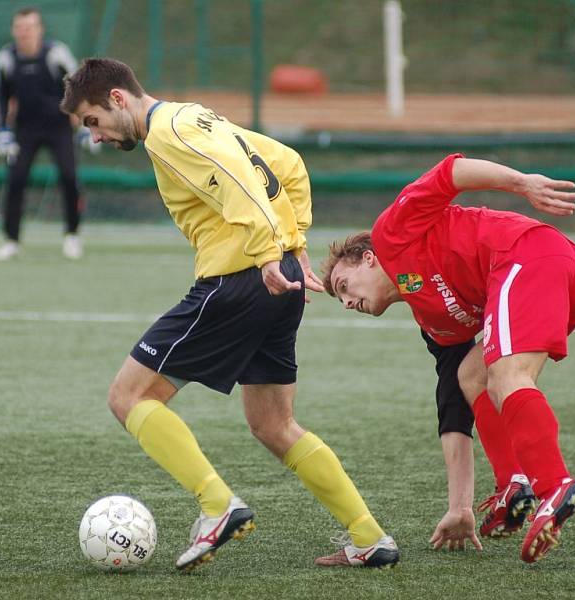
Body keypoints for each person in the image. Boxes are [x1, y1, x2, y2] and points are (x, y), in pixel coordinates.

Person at [60, 57, 399, 571]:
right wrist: (292, 243)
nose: (96, 136)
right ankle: (369, 536)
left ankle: (217, 506)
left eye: (92, 122)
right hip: (274, 277)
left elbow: (237, 176)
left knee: (128, 396)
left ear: (117, 99)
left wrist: (267, 252)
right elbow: (286, 163)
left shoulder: (167, 134)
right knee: (274, 423)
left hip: (241, 277)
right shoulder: (195, 117)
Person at [322, 153, 575, 563]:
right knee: (472, 375)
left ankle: (555, 484)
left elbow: (452, 173)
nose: (346, 301)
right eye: (340, 298)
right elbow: (453, 406)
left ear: (368, 258)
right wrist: (460, 506)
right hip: (565, 281)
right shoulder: (433, 320)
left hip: (530, 254)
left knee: (507, 377)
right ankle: (512, 486)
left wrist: (522, 184)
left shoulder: (391, 233)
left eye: (343, 285)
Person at [0, 6, 96, 261]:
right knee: (15, 181)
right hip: (24, 130)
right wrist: (3, 131)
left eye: (29, 27)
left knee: (70, 178)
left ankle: (72, 235)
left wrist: (86, 125)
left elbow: (78, 89)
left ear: (40, 29)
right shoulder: (5, 58)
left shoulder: (55, 54)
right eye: (20, 28)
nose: (24, 33)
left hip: (58, 128)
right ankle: (11, 240)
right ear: (14, 30)